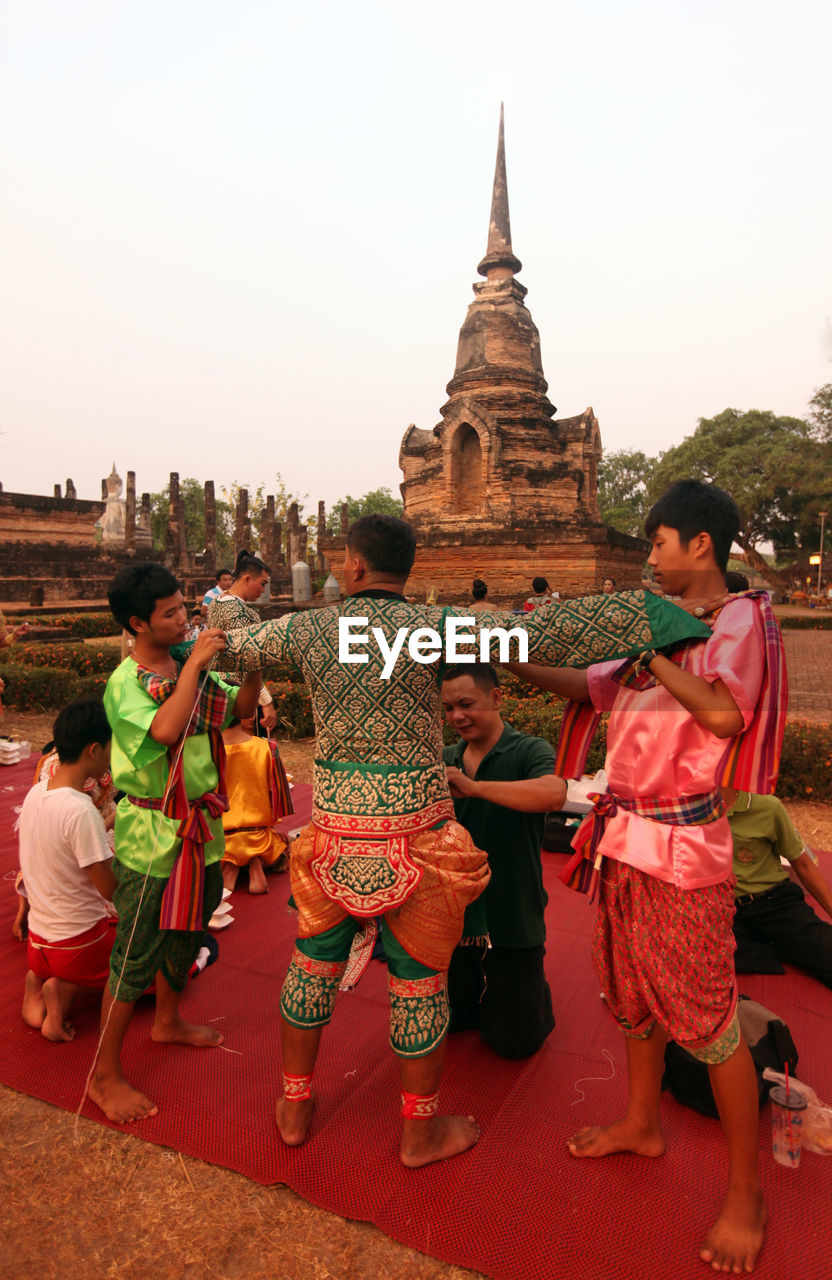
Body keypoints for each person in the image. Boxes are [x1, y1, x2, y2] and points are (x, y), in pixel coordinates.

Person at [221, 513, 710, 1166]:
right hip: (417, 836)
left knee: (310, 968)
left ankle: (295, 1102)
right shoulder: (430, 631)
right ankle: (419, 1132)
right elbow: (537, 632)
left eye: (342, 559)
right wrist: (656, 617)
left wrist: (210, 627)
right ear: (407, 569)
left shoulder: (312, 628)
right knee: (419, 984)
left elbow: (234, 645)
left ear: (355, 566)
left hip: (335, 834)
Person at [507, 480, 785, 1274]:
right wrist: (513, 655)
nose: (650, 558)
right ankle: (641, 1120)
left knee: (709, 1019)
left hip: (684, 850)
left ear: (701, 545)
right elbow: (590, 687)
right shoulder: (653, 632)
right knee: (630, 995)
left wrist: (652, 653)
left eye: (658, 543)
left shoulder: (737, 622)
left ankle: (745, 1189)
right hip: (624, 840)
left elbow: (727, 716)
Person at [87, 562, 261, 1124]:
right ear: (138, 624)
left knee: (191, 926)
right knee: (136, 950)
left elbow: (238, 709)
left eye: (185, 606)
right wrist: (199, 668)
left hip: (202, 827)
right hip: (152, 836)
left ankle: (167, 1020)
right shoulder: (127, 683)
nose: (185, 617)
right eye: (171, 613)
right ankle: (102, 1075)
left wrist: (254, 670)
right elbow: (164, 731)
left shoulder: (186, 661)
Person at [441, 663, 564, 1057]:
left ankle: (531, 987)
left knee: (517, 1043)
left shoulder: (529, 750)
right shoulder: (444, 757)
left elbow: (552, 794)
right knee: (454, 1022)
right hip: (454, 913)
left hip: (513, 910)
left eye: (465, 703)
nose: (457, 716)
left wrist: (474, 788)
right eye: (447, 708)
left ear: (496, 698)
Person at [18, 698, 117, 1042]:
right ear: (93, 750)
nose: (110, 757)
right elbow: (109, 890)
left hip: (39, 944)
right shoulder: (80, 811)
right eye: (109, 748)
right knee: (145, 972)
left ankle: (39, 981)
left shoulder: (36, 794)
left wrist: (109, 820)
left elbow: (64, 846)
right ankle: (63, 989)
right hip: (77, 947)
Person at [725, 787, 832, 987]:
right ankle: (779, 946)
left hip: (773, 903)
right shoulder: (693, 810)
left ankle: (779, 944)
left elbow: (804, 865)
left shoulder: (767, 807)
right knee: (694, 951)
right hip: (727, 911)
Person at [221, 709, 292, 894]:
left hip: (221, 841)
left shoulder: (208, 749)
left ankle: (232, 864)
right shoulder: (265, 747)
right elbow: (278, 799)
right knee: (283, 841)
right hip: (260, 837)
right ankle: (255, 861)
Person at [207, 550, 277, 733]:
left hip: (218, 688)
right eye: (262, 584)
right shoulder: (237, 610)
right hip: (239, 693)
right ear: (246, 579)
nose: (263, 590)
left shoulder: (217, 602)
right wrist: (266, 701)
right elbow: (248, 661)